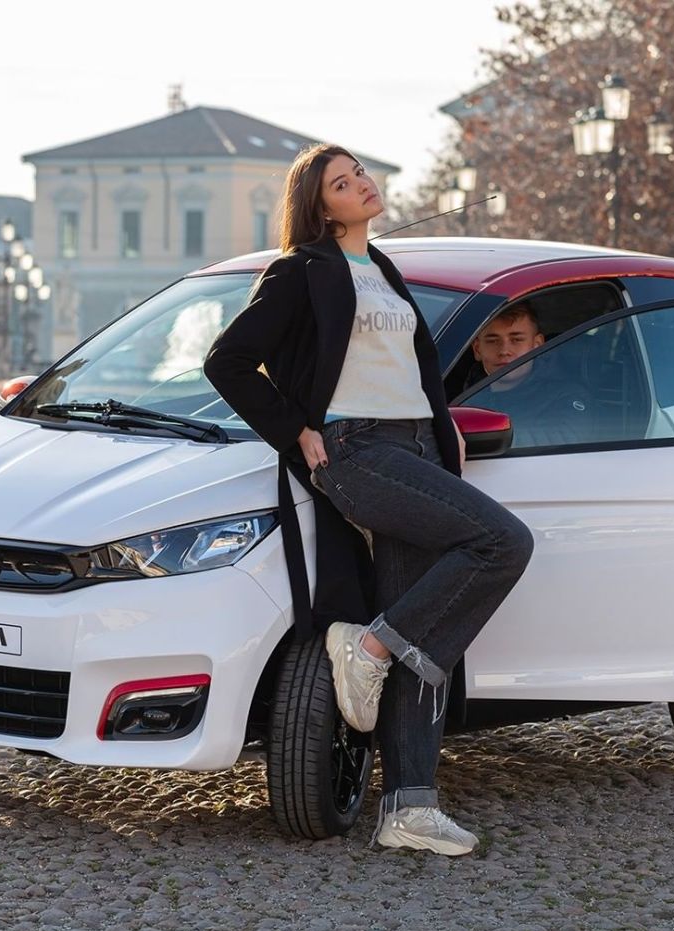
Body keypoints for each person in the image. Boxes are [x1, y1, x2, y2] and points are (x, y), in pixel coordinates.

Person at [204, 144, 533, 856]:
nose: (363, 186)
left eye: (361, 175)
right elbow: (226, 360)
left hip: (415, 447)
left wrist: (444, 433)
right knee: (504, 542)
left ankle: (408, 809)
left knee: (427, 637)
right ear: (321, 206)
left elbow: (411, 371)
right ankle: (369, 644)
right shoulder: (301, 271)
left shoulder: (383, 269)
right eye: (343, 184)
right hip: (356, 450)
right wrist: (294, 429)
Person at [464, 302, 592, 448]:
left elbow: (563, 442)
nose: (504, 351)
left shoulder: (566, 396)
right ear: (477, 349)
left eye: (516, 340)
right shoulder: (457, 389)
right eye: (493, 341)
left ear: (537, 345)